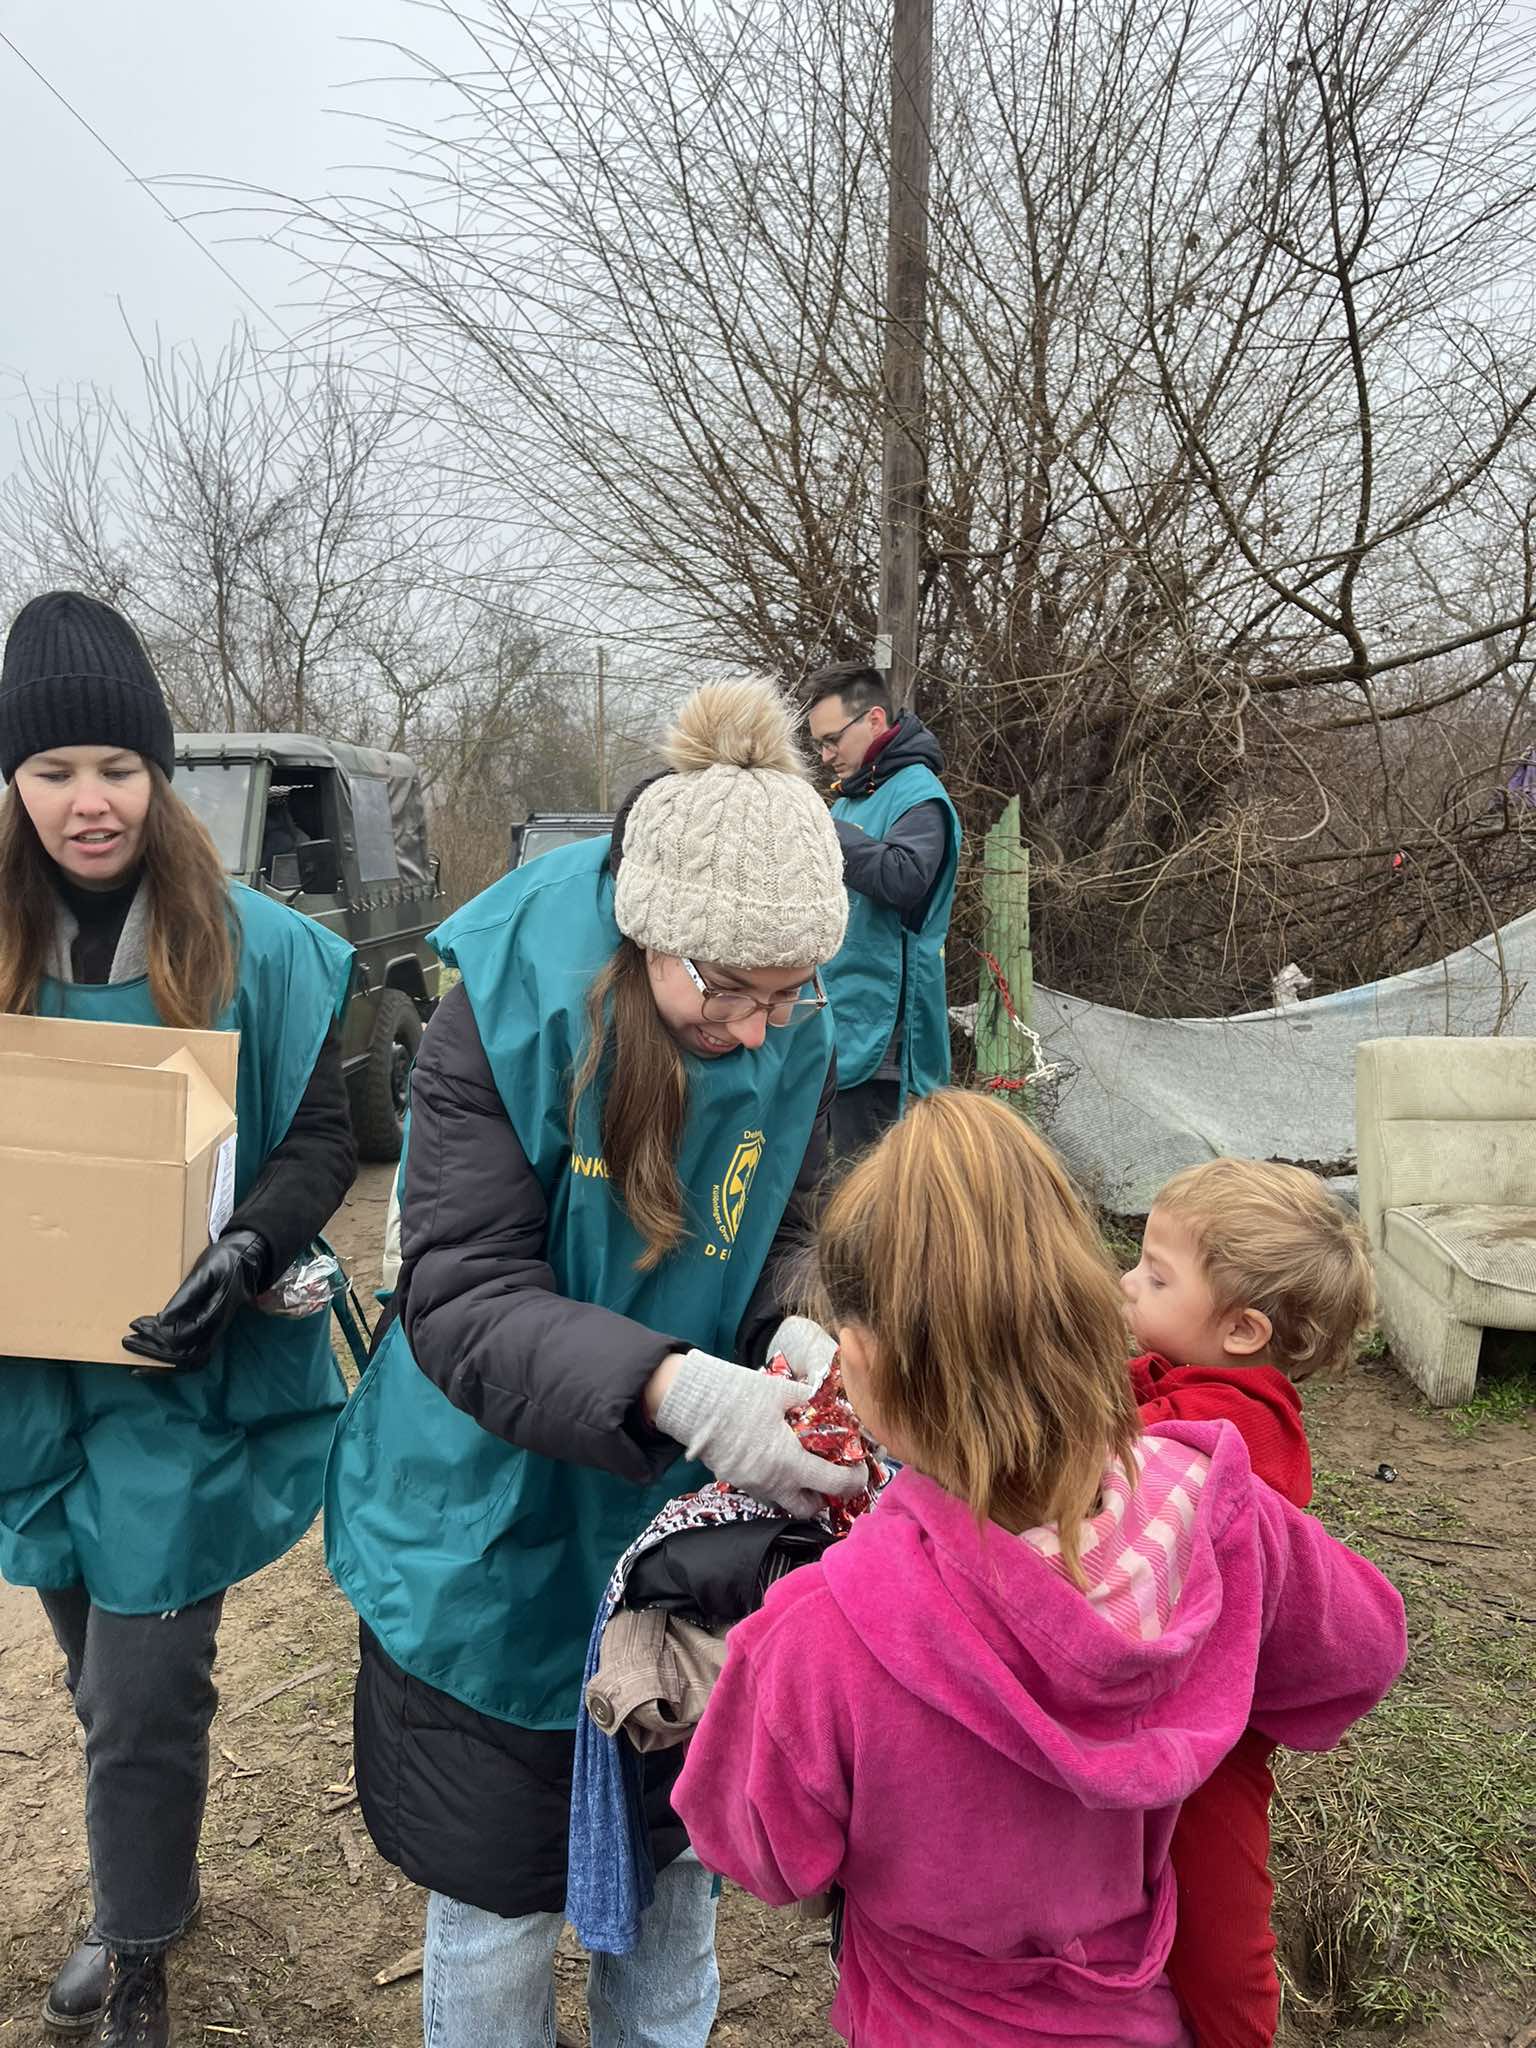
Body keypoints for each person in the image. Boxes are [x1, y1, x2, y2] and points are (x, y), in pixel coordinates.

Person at [324, 679, 864, 2048]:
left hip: (678, 1529)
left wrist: (795, 1329)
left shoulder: (790, 1019)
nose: (758, 1027)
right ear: (648, 941)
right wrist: (687, 1391)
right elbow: (461, 1295)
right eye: (729, 991)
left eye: (786, 995)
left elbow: (789, 1228)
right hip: (485, 1510)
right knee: (498, 1906)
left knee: (676, 1884)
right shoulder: (500, 1018)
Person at [673, 1092, 1407, 2048]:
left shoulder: (814, 1634)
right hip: (1135, 2016)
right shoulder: (1217, 1512)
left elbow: (759, 1852)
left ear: (855, 1362)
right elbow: (1362, 1651)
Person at [0, 592, 357, 2048]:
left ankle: (136, 1950)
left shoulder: (258, 950)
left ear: (159, 776)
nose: (89, 803)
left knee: (145, 1689)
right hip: (35, 1383)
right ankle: (156, 1875)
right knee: (97, 1678)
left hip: (178, 1383)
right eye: (52, 771)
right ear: (14, 786)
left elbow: (325, 1136)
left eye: (118, 768)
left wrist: (248, 1246)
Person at [1120, 1158, 1375, 2048]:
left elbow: (1126, 1482)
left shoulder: (1242, 1431)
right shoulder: (1171, 1370)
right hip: (1149, 1704)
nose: (1128, 1283)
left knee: (1219, 1926)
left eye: (1154, 1275)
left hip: (1210, 1733)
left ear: (1241, 1328)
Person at [803, 662, 960, 1157]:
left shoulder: (918, 794)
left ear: (874, 720)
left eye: (832, 740)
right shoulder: (852, 798)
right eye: (819, 744)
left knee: (867, 1198)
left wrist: (822, 830)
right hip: (841, 1026)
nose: (826, 756)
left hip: (883, 1041)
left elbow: (902, 877)